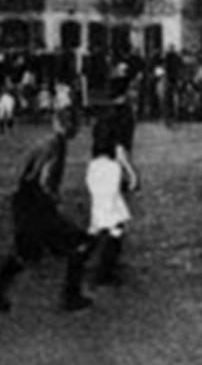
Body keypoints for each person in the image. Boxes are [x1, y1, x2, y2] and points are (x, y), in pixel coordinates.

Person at [0, 108, 94, 313]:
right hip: (39, 207)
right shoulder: (57, 145)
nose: (79, 128)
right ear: (70, 126)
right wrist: (55, 201)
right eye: (77, 124)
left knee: (26, 253)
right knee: (80, 244)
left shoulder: (43, 142)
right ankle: (71, 297)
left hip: (24, 203)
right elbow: (47, 179)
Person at [87, 94, 140, 287]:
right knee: (116, 223)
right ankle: (103, 270)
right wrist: (132, 174)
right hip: (109, 169)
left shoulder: (102, 122)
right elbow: (119, 151)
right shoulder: (121, 122)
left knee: (100, 220)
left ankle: (87, 258)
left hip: (94, 168)